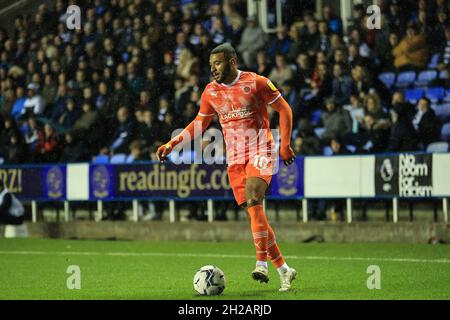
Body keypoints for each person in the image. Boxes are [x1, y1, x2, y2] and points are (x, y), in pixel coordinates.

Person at [156, 43, 297, 292]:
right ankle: (284, 269)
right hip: (234, 160)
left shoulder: (257, 83)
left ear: (232, 61)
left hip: (260, 149)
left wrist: (284, 145)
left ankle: (261, 264)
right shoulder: (211, 92)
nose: (213, 69)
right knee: (255, 215)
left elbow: (284, 109)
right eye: (211, 65)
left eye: (218, 63)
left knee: (254, 198)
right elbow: (199, 124)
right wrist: (172, 142)